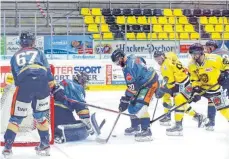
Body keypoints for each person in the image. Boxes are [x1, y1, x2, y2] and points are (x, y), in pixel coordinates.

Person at [2, 31, 54, 158]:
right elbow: (49, 76)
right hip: (42, 84)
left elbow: (17, 80)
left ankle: (8, 148)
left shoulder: (14, 56)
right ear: (34, 42)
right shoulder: (39, 53)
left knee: (16, 119)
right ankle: (45, 144)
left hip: (25, 84)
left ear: (21, 43)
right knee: (41, 116)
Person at [111, 49, 159, 142]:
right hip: (144, 83)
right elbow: (143, 62)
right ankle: (135, 126)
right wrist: (128, 99)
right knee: (132, 104)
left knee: (140, 106)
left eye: (117, 62)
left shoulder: (128, 68)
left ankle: (146, 130)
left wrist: (125, 99)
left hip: (149, 84)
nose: (117, 64)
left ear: (121, 57)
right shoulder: (132, 57)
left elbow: (132, 87)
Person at [153, 51, 205, 136]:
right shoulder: (169, 55)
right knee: (179, 103)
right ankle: (197, 116)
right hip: (185, 81)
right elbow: (173, 56)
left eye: (159, 59)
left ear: (163, 56)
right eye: (156, 59)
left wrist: (161, 90)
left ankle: (178, 124)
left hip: (181, 85)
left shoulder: (165, 67)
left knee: (178, 103)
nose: (158, 61)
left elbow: (171, 83)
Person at [52, 71, 105, 144]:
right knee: (81, 128)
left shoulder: (65, 81)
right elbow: (81, 107)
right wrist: (88, 125)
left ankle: (55, 130)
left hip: (50, 110)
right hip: (61, 111)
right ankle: (58, 135)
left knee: (73, 122)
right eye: (84, 81)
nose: (84, 83)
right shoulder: (79, 88)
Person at [188, 43, 229, 131]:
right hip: (202, 88)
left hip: (214, 88)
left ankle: (210, 122)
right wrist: (195, 89)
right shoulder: (191, 64)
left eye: (195, 53)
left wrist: (226, 73)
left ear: (201, 52)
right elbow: (194, 79)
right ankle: (194, 118)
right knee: (182, 98)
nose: (193, 56)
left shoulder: (213, 58)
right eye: (192, 54)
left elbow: (226, 64)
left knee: (222, 109)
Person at [204, 40, 229, 131]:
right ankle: (210, 121)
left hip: (224, 79)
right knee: (214, 99)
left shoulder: (213, 55)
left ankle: (211, 122)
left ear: (212, 47)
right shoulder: (225, 51)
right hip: (225, 77)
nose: (206, 50)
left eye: (207, 48)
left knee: (213, 99)